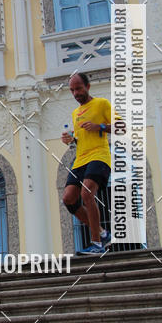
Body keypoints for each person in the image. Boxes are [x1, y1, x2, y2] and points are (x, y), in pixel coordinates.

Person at [61, 72, 117, 255]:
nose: (75, 93)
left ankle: (97, 244)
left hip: (99, 156)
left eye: (78, 88)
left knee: (86, 193)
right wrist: (70, 140)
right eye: (72, 90)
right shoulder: (75, 113)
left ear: (88, 86)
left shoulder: (101, 104)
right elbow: (79, 139)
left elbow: (122, 126)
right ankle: (103, 233)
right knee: (68, 199)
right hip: (80, 159)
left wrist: (99, 126)